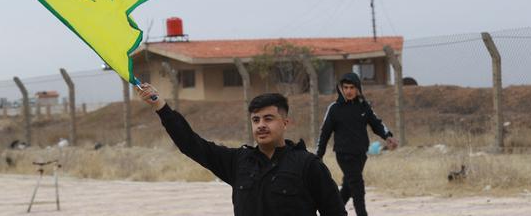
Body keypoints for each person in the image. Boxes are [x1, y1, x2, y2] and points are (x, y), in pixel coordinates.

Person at [137, 83, 346, 216]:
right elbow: (191, 145)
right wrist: (161, 108)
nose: (261, 125)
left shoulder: (307, 165)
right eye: (256, 120)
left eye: (268, 118)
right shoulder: (238, 162)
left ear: (285, 123)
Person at [316, 72, 398, 216]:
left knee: (348, 187)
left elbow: (376, 123)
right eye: (345, 87)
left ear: (357, 88)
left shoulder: (363, 106)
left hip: (361, 154)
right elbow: (325, 133)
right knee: (358, 188)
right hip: (344, 154)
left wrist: (387, 136)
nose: (348, 91)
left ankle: (332, 213)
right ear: (341, 88)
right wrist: (318, 155)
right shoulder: (334, 108)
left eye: (352, 87)